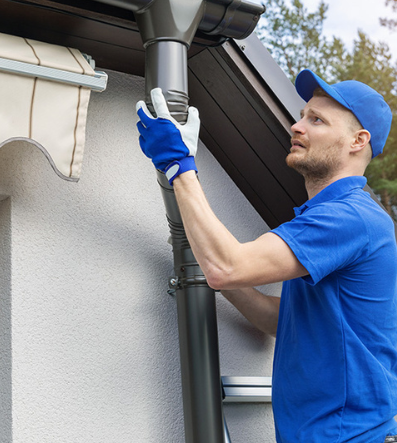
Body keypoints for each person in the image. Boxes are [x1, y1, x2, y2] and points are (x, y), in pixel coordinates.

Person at [136, 69, 397, 443]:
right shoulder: (327, 218)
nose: (296, 126)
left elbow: (228, 266)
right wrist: (208, 262)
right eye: (302, 115)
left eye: (316, 120)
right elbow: (279, 320)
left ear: (358, 141)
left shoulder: (350, 217)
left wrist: (180, 166)